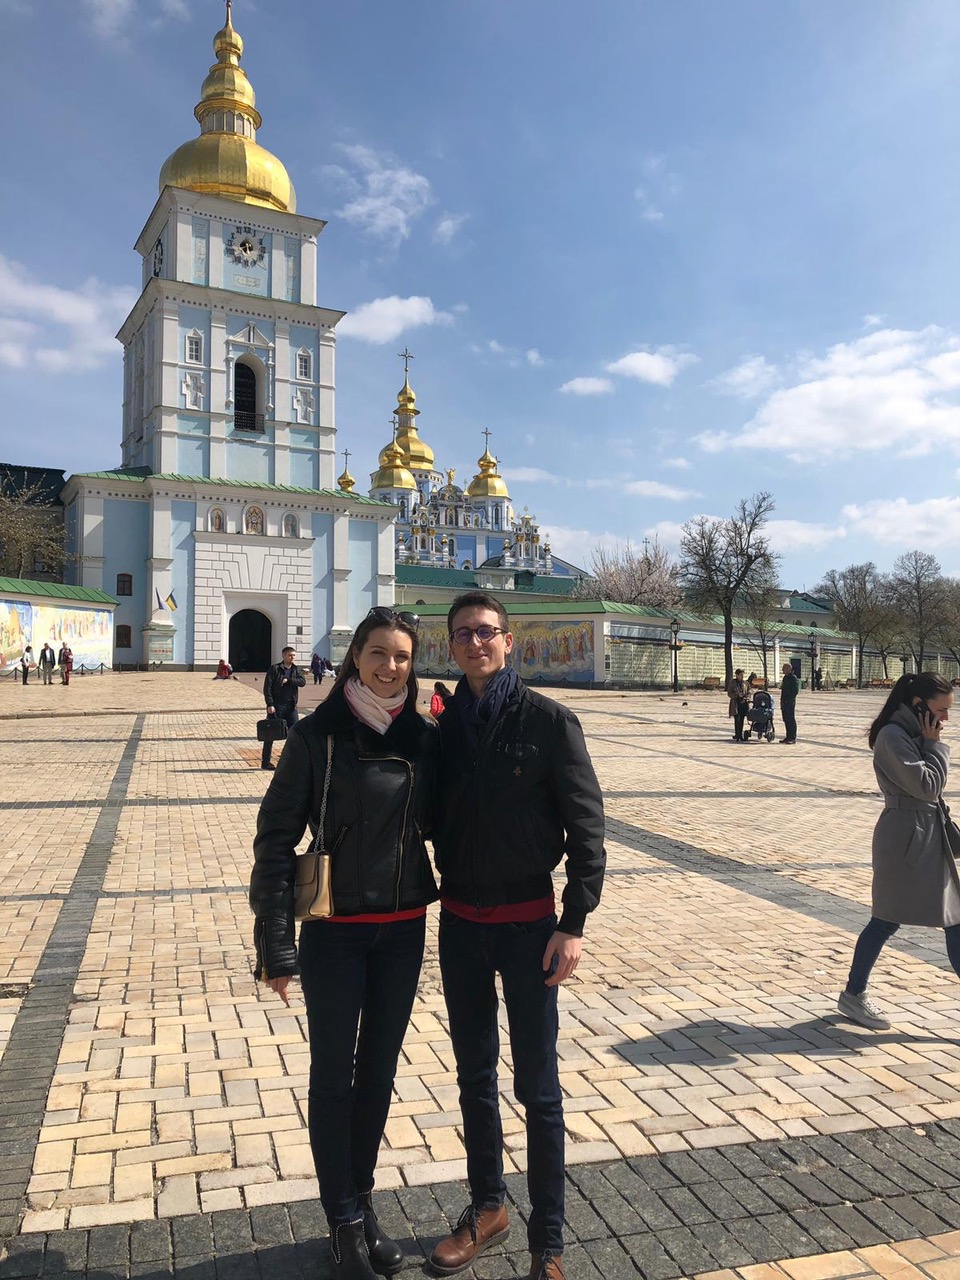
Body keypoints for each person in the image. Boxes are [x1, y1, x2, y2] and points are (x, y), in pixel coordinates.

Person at [250, 607, 437, 1280]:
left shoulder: (422, 737)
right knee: (334, 1078)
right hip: (333, 934)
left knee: (379, 1074)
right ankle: (344, 1224)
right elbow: (275, 841)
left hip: (403, 930)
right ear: (357, 655)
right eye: (380, 653)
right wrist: (275, 943)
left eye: (403, 657)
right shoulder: (318, 737)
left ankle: (361, 1202)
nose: (391, 667)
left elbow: (455, 822)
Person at [429, 592, 606, 1280]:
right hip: (461, 925)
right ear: (453, 646)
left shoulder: (549, 722)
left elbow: (587, 829)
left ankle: (549, 1244)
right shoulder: (441, 733)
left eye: (487, 632)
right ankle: (488, 1207)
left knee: (538, 1087)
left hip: (531, 926)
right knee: (475, 1075)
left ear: (510, 643)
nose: (476, 643)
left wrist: (574, 922)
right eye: (464, 634)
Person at [838, 672, 956, 1030]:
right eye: (942, 710)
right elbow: (926, 786)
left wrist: (929, 741)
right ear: (918, 705)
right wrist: (934, 746)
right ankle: (854, 996)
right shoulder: (892, 736)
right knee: (886, 919)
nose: (947, 719)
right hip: (904, 837)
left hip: (927, 833)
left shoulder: (913, 732)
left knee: (955, 918)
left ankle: (852, 995)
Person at [261, 646, 306, 770]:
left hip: (291, 706)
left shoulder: (296, 670)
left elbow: (302, 682)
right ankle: (265, 762)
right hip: (277, 706)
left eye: (294, 655)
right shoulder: (275, 669)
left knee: (295, 733)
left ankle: (293, 760)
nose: (292, 658)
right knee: (270, 734)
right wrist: (270, 704)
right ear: (284, 656)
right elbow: (267, 688)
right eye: (290, 655)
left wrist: (289, 680)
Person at [726, 668, 749, 742]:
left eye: (743, 675)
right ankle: (737, 734)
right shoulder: (733, 682)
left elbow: (749, 691)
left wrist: (747, 697)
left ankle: (740, 734)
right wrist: (736, 695)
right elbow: (729, 693)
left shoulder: (745, 683)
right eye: (741, 675)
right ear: (737, 675)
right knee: (737, 719)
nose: (742, 676)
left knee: (741, 719)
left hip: (743, 703)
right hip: (736, 703)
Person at [780, 661, 799, 743]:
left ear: (789, 669)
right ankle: (788, 736)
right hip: (784, 702)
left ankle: (792, 737)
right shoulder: (785, 678)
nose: (782, 670)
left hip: (790, 703)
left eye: (784, 668)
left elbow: (795, 691)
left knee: (790, 719)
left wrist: (789, 700)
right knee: (786, 719)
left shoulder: (793, 678)